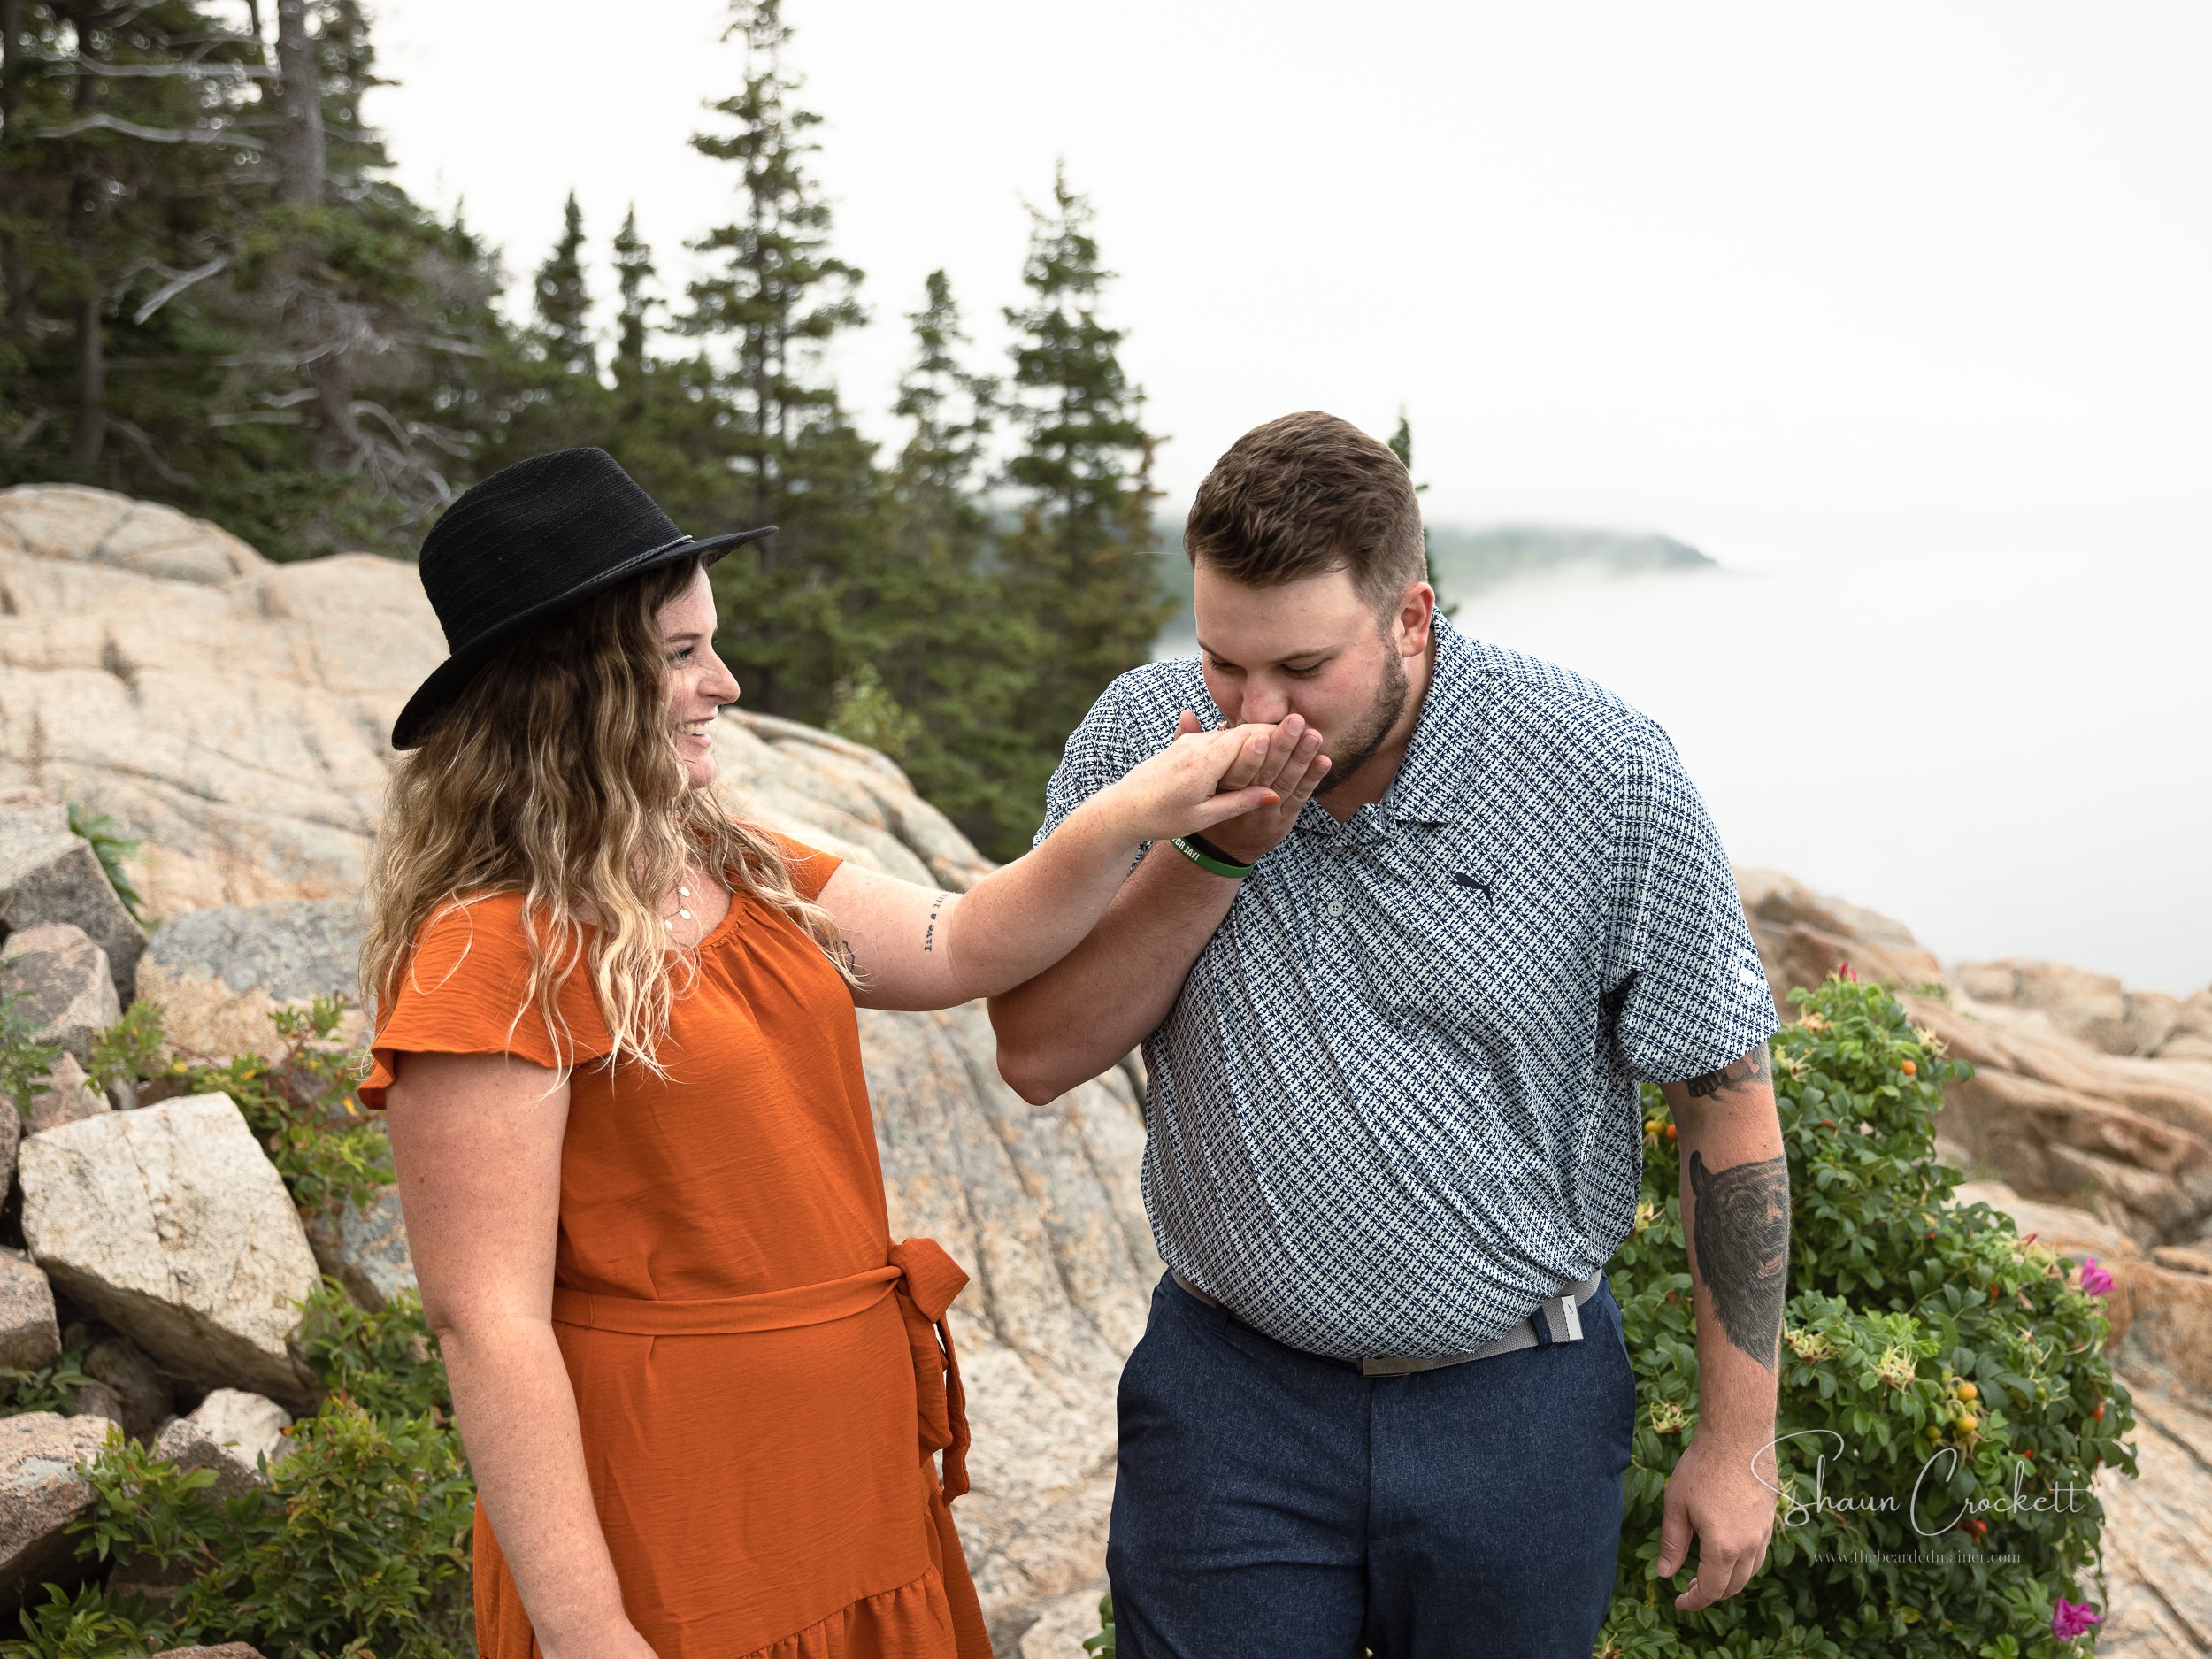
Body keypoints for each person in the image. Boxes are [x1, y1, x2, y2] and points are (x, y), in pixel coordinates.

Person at [355, 447, 1331, 1659]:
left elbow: (965, 938)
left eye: (711, 644)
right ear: (565, 687)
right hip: (674, 1516)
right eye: (678, 654)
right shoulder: (485, 951)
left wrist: (1142, 812)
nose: (725, 681)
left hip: (853, 1484)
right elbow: (486, 1323)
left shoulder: (738, 864)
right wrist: (587, 1627)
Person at [988, 411, 1790, 1659]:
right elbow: (1036, 1051)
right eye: (1222, 662)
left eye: (1303, 669)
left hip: (1520, 1403)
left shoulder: (1602, 769)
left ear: (1411, 617)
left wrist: (1740, 1440)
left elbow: (1724, 1102)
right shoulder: (1142, 739)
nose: (1256, 713)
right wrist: (1208, 850)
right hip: (1228, 1403)